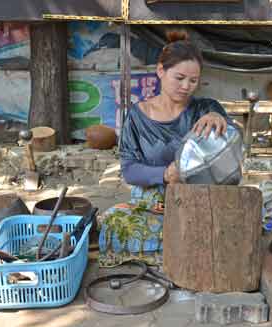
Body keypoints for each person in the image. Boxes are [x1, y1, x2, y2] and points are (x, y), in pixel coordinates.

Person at [98, 30, 231, 267]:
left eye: (193, 80)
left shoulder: (205, 109)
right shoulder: (137, 117)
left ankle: (186, 248)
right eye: (179, 78)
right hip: (153, 206)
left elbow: (228, 140)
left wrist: (218, 116)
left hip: (201, 202)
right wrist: (165, 174)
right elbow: (129, 171)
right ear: (161, 71)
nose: (186, 86)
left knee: (229, 221)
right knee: (113, 223)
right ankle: (188, 249)